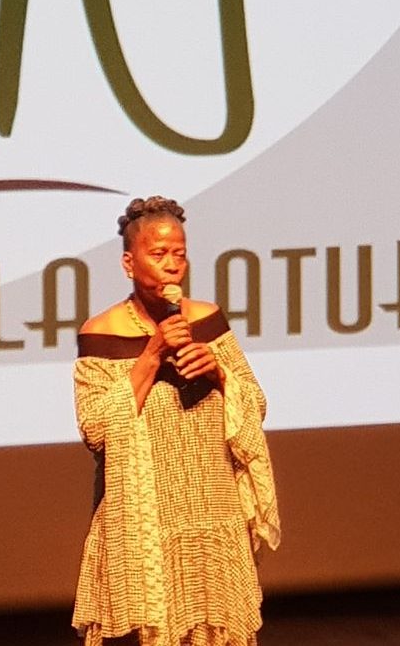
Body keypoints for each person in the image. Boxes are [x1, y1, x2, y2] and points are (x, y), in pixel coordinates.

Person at [71, 197, 280, 645]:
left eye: (179, 254)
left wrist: (219, 374)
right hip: (145, 515)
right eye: (159, 254)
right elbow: (96, 429)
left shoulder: (206, 319)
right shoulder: (100, 331)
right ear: (129, 263)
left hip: (212, 509)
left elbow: (255, 403)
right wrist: (153, 354)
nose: (172, 266)